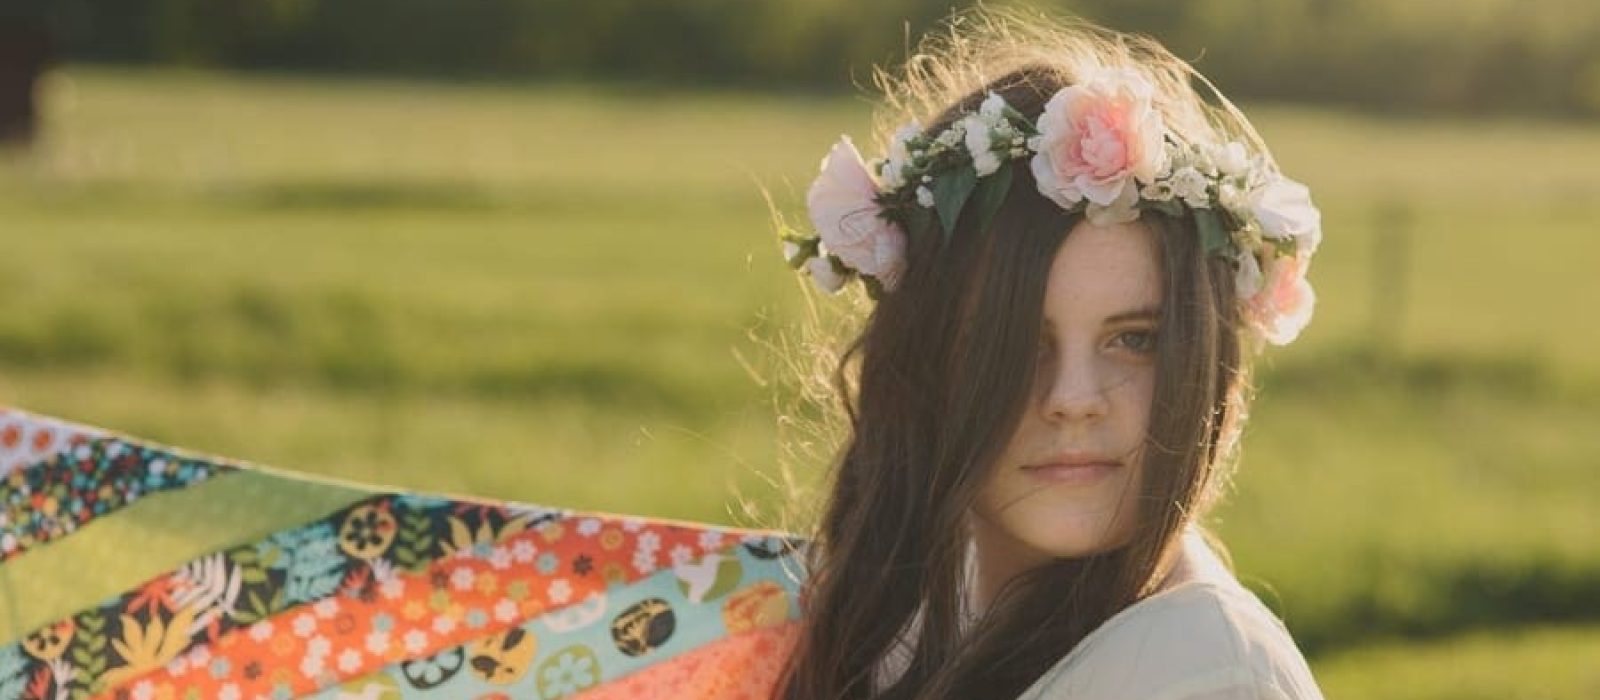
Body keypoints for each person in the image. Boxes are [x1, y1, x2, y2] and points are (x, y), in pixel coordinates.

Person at [771, 7, 1325, 699]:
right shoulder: (901, 614)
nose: (1072, 399)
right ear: (923, 361)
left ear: (1205, 361)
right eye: (1014, 341)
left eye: (1133, 340)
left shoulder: (1204, 672)